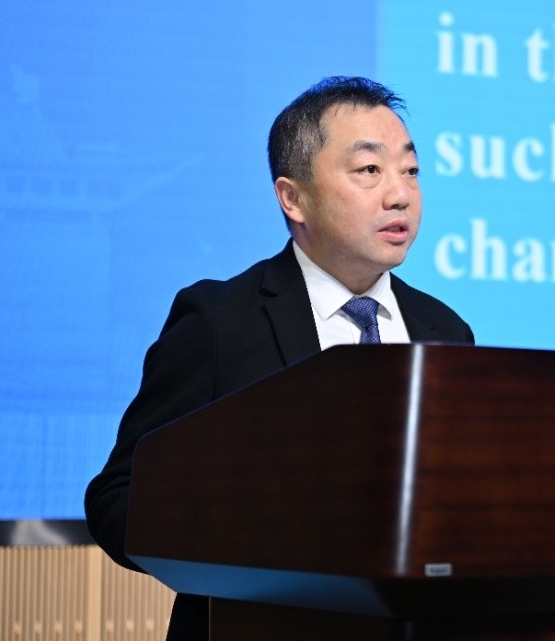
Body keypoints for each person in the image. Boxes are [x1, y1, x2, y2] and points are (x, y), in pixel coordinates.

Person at [84, 76, 474, 640]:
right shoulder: (220, 323)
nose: (400, 195)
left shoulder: (445, 331)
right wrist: (250, 540)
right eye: (370, 170)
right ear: (293, 198)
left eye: (411, 171)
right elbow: (118, 499)